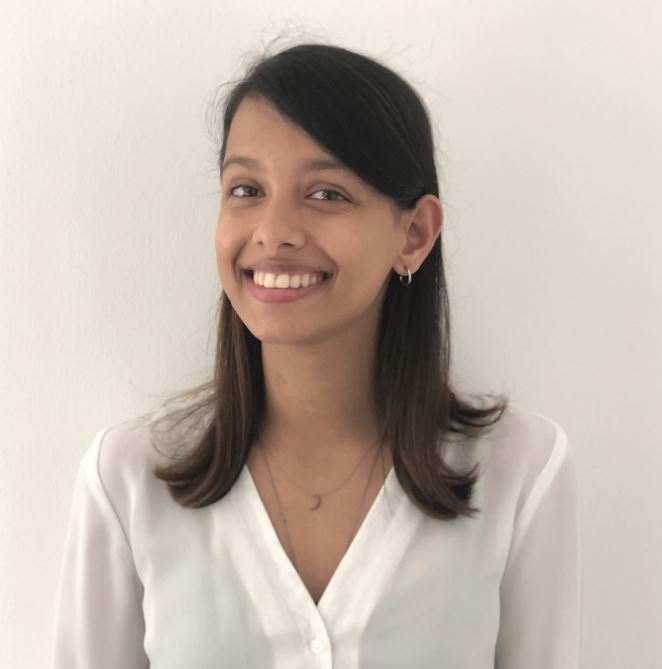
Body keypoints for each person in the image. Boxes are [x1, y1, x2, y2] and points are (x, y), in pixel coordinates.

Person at [51, 42, 580, 668]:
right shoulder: (128, 480)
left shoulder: (521, 472)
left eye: (326, 194)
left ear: (413, 235)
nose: (273, 232)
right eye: (246, 189)